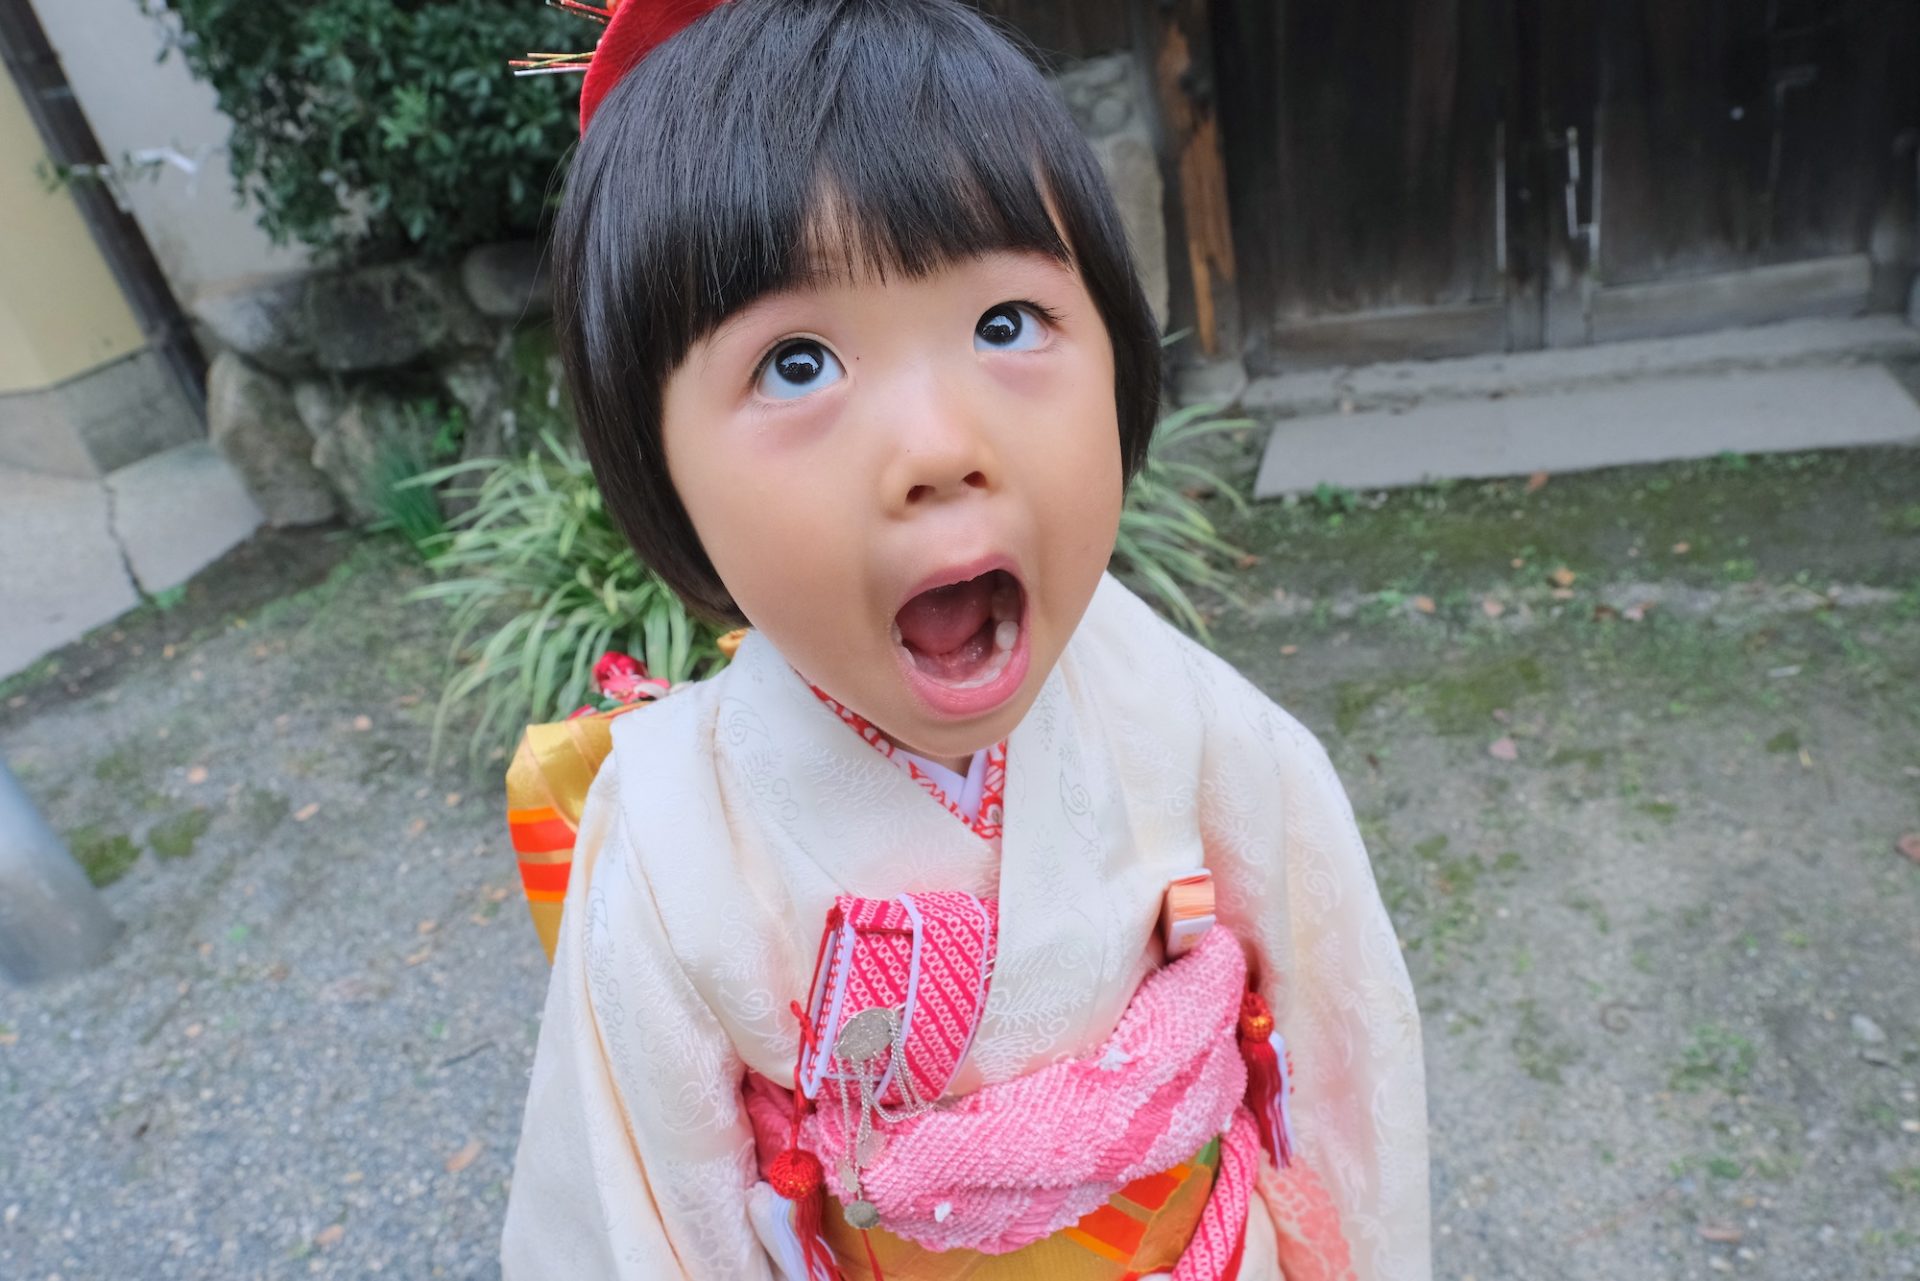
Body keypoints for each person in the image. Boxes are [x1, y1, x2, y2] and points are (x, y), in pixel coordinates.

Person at [500, 1, 1429, 1277]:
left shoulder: (1167, 703)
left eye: (1006, 325)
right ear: (657, 468)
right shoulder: (668, 835)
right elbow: (643, 1227)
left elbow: (1341, 1029)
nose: (940, 447)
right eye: (796, 363)